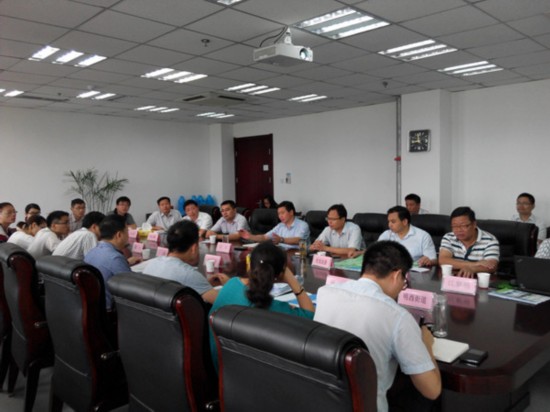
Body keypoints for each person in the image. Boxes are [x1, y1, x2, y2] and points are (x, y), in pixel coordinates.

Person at [315, 241, 441, 412]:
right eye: (404, 281)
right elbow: (432, 390)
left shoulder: (325, 293)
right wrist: (426, 343)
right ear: (397, 275)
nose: (402, 288)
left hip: (323, 401)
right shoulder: (398, 316)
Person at [209, 241, 314, 371]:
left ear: (250, 264)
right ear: (280, 273)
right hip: (246, 374)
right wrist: (292, 280)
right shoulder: (271, 306)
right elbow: (309, 315)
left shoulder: (231, 283)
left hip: (219, 367)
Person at [144, 220, 221, 304]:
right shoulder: (190, 275)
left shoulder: (152, 264)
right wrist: (229, 284)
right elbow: (224, 303)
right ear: (194, 248)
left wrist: (203, 284)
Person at [84, 215, 138, 309]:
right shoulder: (115, 258)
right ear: (119, 235)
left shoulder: (91, 252)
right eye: (127, 232)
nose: (128, 236)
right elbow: (131, 287)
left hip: (93, 306)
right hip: (110, 311)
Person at [439, 206, 499, 278]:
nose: (459, 230)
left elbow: (491, 266)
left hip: (479, 281)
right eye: (454, 226)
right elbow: (443, 260)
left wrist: (473, 269)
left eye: (463, 226)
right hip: (454, 280)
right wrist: (475, 264)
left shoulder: (490, 240)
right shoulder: (449, 237)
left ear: (474, 224)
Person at [239, 201, 309, 249]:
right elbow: (264, 237)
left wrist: (281, 240)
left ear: (291, 212)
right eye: (278, 214)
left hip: (298, 255)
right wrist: (250, 236)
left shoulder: (303, 225)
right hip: (282, 254)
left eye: (282, 213)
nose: (280, 216)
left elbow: (299, 240)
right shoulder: (280, 226)